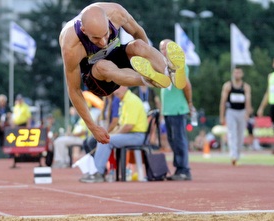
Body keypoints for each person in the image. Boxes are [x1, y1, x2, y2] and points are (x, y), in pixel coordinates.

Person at [59, 2, 186, 144]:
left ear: (108, 21)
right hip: (97, 79)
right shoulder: (70, 45)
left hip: (116, 56)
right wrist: (93, 127)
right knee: (103, 65)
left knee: (138, 45)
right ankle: (148, 80)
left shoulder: (116, 12)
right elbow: (74, 90)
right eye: (95, 38)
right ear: (83, 30)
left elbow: (137, 32)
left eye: (106, 34)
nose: (103, 42)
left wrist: (146, 58)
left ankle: (168, 71)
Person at [80, 86, 148, 183]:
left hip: (136, 135)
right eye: (114, 88)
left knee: (106, 140)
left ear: (125, 87)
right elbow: (122, 125)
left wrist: (111, 135)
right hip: (132, 134)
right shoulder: (124, 100)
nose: (114, 91)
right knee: (104, 139)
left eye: (117, 88)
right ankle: (98, 171)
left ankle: (98, 172)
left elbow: (128, 126)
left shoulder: (131, 101)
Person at [159, 39, 193, 181]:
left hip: (178, 109)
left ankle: (184, 169)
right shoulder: (164, 66)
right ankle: (179, 168)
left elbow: (186, 86)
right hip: (168, 110)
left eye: (166, 48)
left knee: (179, 140)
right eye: (161, 49)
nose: (163, 51)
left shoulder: (179, 65)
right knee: (173, 141)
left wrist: (190, 103)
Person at [219, 67, 252, 166]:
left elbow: (248, 101)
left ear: (242, 74)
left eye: (239, 72)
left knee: (240, 135)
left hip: (242, 112)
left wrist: (248, 113)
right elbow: (223, 102)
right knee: (232, 133)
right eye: (235, 72)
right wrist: (222, 116)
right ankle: (233, 155)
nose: (237, 74)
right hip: (231, 112)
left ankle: (237, 154)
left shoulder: (246, 87)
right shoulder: (228, 86)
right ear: (233, 74)